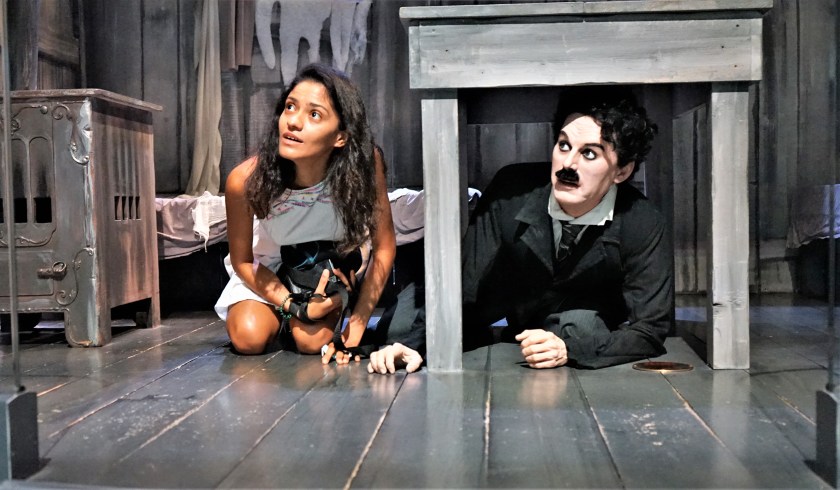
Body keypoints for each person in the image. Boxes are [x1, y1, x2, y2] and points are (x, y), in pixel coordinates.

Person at [368, 86, 672, 374]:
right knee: (400, 326)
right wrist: (415, 344)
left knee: (579, 327)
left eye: (589, 153)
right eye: (563, 145)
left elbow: (650, 329)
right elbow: (467, 282)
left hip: (577, 324)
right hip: (505, 302)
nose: (568, 164)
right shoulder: (512, 189)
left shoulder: (642, 220)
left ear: (622, 170)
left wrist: (572, 348)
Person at [215, 63, 396, 364]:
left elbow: (385, 247)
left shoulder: (365, 164)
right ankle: (284, 317)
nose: (294, 122)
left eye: (314, 114)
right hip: (267, 269)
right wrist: (293, 305)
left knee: (312, 344)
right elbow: (243, 261)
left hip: (324, 266)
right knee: (248, 337)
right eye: (290, 107)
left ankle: (311, 315)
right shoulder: (245, 180)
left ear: (340, 137)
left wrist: (357, 325)